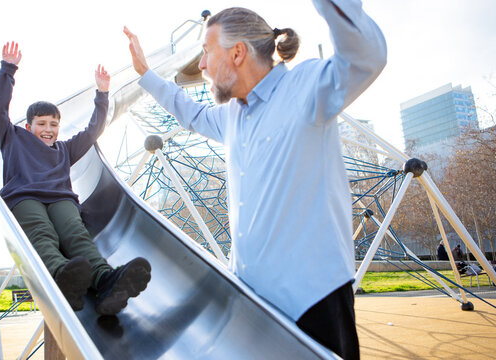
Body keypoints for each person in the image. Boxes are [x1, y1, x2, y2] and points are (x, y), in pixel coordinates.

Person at [124, 0, 386, 358]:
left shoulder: (306, 87)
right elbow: (190, 113)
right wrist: (145, 73)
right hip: (254, 306)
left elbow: (365, 59)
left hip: (314, 302)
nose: (201, 65)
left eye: (206, 52)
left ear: (237, 53)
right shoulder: (231, 116)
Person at [0, 41, 151, 315]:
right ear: (28, 126)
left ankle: (105, 280)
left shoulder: (64, 150)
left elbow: (93, 130)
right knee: (42, 233)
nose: (48, 130)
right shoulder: (11, 138)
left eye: (53, 124)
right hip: (24, 197)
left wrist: (102, 93)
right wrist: (8, 69)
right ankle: (61, 275)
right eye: (42, 124)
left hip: (62, 199)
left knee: (76, 235)